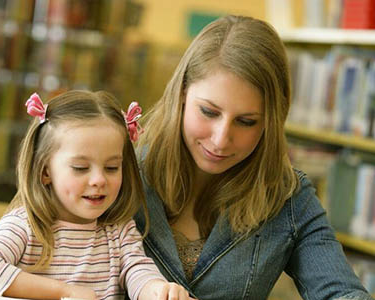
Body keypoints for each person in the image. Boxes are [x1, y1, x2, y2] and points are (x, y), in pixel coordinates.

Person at [134, 15, 373, 299]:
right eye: (209, 112)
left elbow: (342, 292)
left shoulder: (288, 199)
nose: (221, 139)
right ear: (182, 94)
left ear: (270, 123)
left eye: (246, 121)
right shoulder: (121, 175)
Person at [0, 91, 194, 300]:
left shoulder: (120, 231)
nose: (99, 180)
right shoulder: (25, 225)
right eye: (81, 168)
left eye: (112, 167)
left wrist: (158, 290)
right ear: (45, 172)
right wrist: (65, 292)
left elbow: (138, 272)